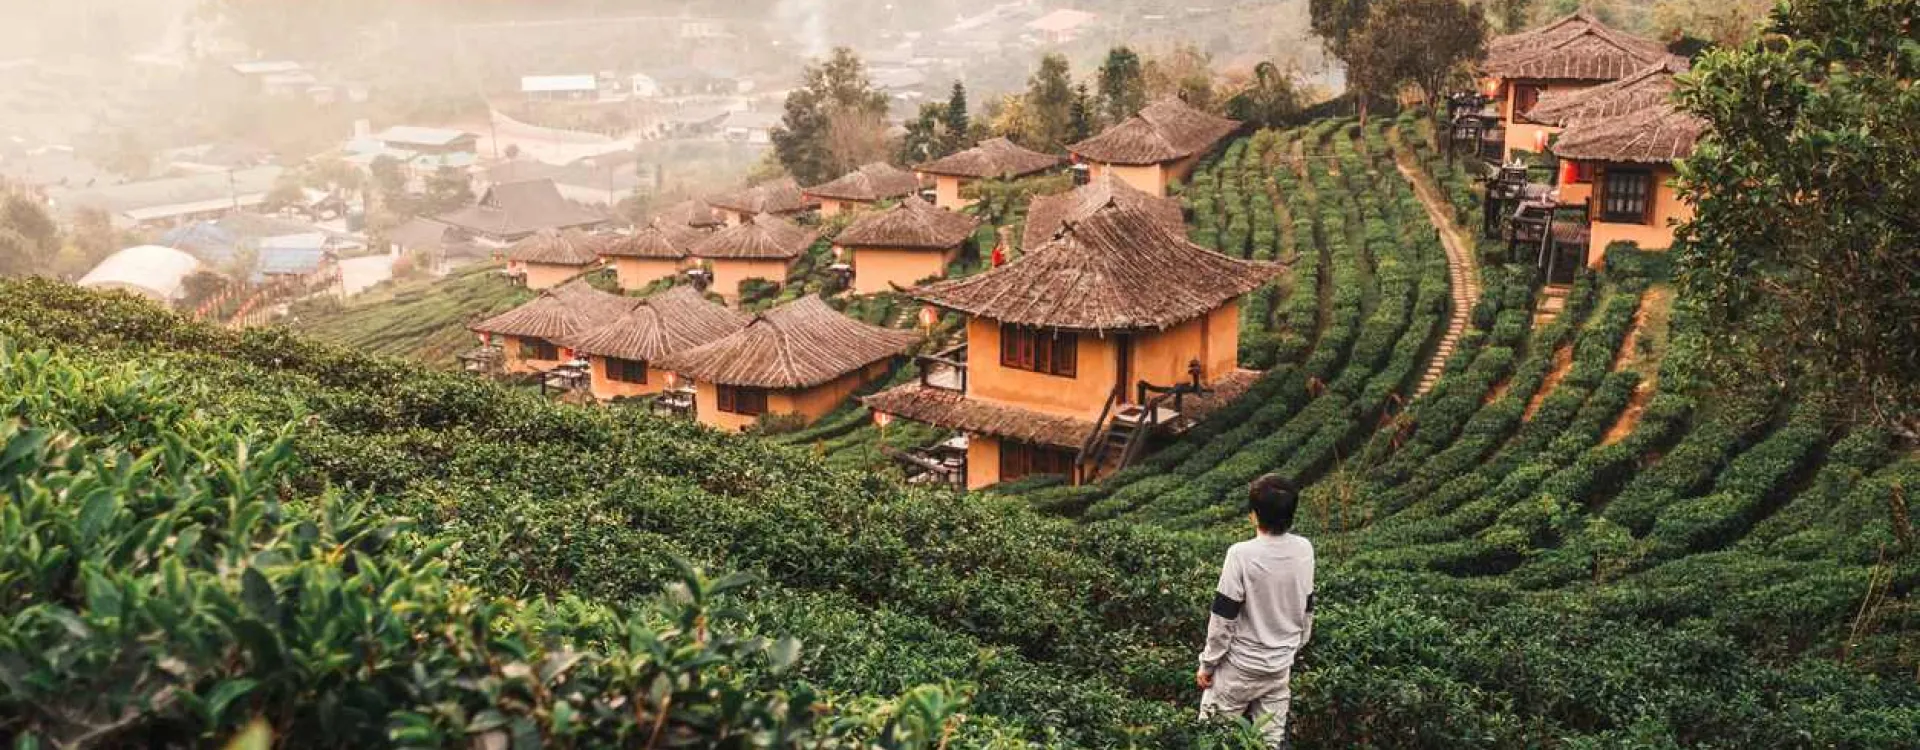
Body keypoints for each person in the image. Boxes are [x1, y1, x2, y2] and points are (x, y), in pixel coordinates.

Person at [1197, 474, 1315, 748]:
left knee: (1213, 737)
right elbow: (1307, 607)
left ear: (1253, 515)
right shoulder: (1304, 549)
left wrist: (1208, 663)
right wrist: (1293, 648)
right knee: (1268, 743)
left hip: (1240, 668)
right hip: (1279, 667)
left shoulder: (1241, 554)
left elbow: (1223, 617)